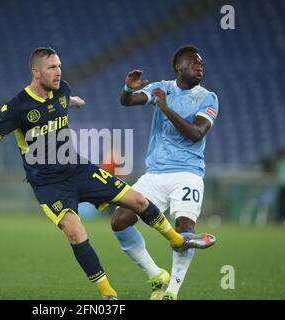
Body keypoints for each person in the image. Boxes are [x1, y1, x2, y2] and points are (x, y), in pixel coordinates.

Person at [0, 47, 214, 300]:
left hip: (77, 168)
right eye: (52, 68)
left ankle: (177, 241)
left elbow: (58, 102)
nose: (59, 72)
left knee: (137, 200)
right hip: (49, 184)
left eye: (59, 66)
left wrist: (73, 101)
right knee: (76, 231)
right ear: (36, 72)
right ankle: (108, 294)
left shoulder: (63, 90)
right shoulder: (16, 107)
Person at [110, 44, 219, 300]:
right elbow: (128, 102)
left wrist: (166, 109)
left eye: (200, 62)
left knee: (183, 231)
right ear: (178, 67)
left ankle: (172, 292)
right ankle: (156, 274)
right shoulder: (163, 87)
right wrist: (128, 88)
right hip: (154, 175)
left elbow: (196, 133)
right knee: (119, 221)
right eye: (193, 62)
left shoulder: (208, 97)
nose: (199, 65)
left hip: (187, 174)